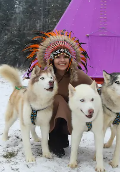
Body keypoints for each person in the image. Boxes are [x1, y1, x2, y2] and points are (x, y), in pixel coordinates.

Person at [25, 30, 91, 158]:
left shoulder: (77, 75)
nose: (62, 60)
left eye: (65, 57)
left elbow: (94, 89)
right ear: (52, 59)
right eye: (58, 57)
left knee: (60, 100)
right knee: (57, 98)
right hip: (48, 113)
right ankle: (54, 138)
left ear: (70, 59)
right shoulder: (46, 75)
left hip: (71, 115)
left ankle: (62, 135)